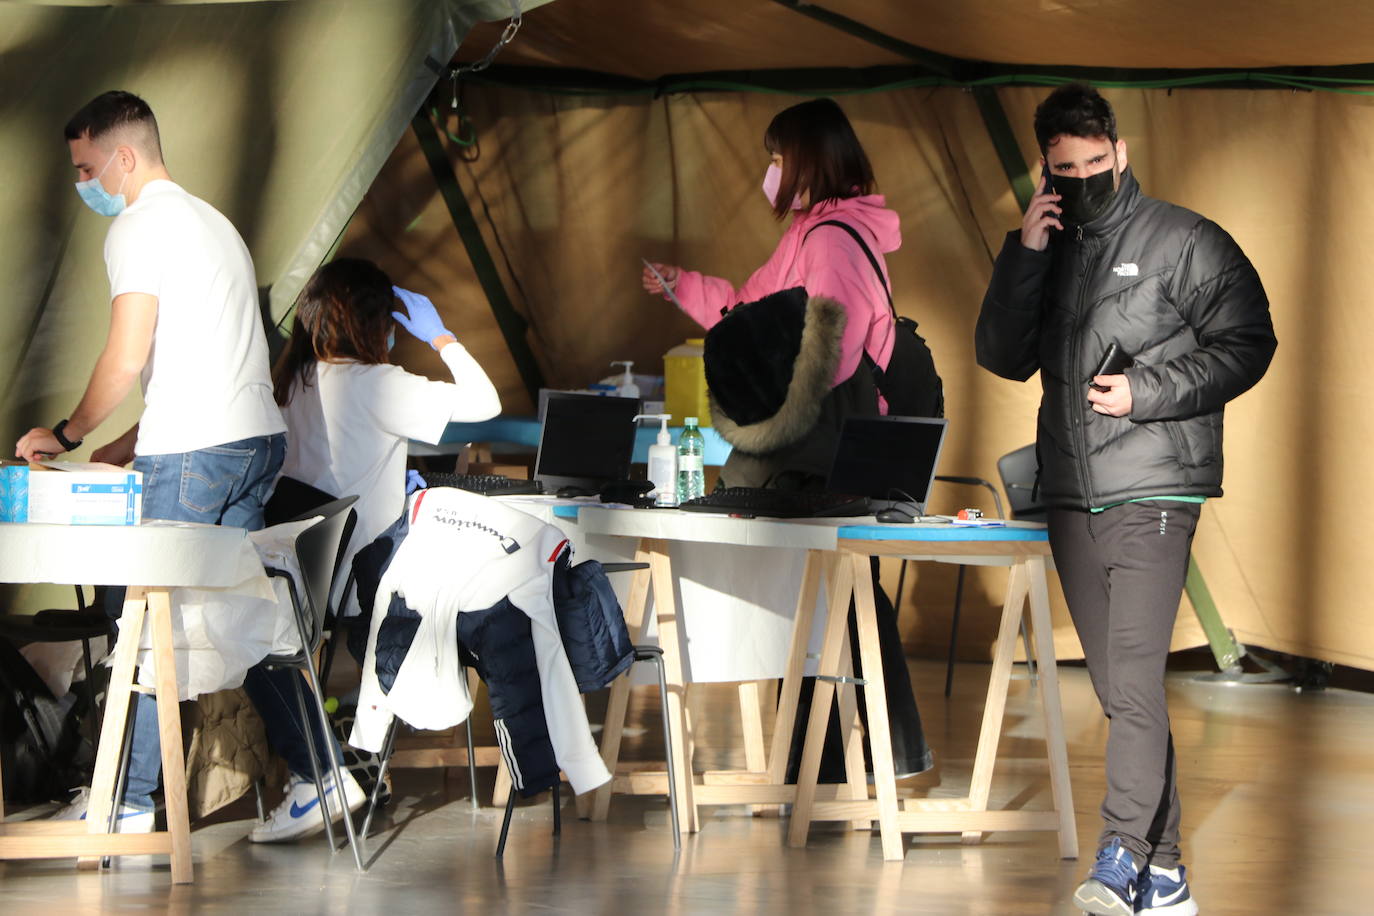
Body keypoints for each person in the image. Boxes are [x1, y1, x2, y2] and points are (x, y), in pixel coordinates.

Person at [975, 83, 1276, 916]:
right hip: (1071, 491)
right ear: (1047, 169)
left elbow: (1250, 341)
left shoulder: (1184, 240)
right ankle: (1168, 872)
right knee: (1117, 689)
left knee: (1136, 681)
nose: (1083, 180)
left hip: (1156, 487)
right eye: (1065, 170)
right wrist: (1026, 254)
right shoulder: (1053, 243)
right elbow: (1000, 354)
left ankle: (1120, 852)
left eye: (1096, 164)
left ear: (1122, 153)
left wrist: (1147, 391)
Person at [15, 90, 290, 833]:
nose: (82, 184)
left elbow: (128, 353)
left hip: (194, 455)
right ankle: (323, 777)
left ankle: (127, 802)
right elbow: (207, 360)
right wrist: (129, 442)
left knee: (141, 624)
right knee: (246, 621)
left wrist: (68, 435)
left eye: (85, 168)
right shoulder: (216, 225)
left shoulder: (138, 225)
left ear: (124, 157)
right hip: (254, 441)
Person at [643, 97, 931, 780]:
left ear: (809, 158)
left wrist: (781, 420)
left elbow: (835, 345)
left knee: (831, 591)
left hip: (833, 440)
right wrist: (684, 287)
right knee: (840, 590)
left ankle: (838, 760)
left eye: (778, 157)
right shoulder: (815, 231)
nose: (770, 171)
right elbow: (752, 311)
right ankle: (850, 758)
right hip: (839, 437)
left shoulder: (831, 238)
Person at [251, 256, 500, 841]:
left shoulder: (290, 381)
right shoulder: (379, 385)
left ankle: (349, 763)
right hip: (361, 587)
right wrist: (440, 335)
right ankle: (351, 762)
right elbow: (485, 403)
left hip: (297, 583)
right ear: (376, 323)